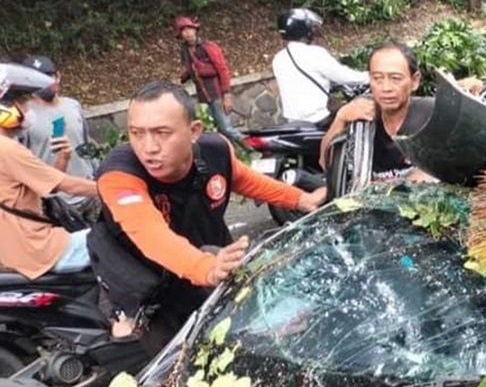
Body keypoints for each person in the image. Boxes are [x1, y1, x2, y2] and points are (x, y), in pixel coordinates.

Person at [86, 82, 326, 343]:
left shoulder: (215, 150)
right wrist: (206, 268)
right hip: (150, 287)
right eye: (136, 133)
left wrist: (302, 199)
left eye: (162, 133)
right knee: (169, 367)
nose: (148, 147)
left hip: (213, 261)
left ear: (194, 131)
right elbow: (149, 233)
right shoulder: (119, 173)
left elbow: (243, 179)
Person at [0, 63, 98, 279]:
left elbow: (47, 187)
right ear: (5, 109)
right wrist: (116, 187)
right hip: (39, 248)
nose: (28, 109)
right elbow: (67, 185)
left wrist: (62, 158)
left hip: (16, 249)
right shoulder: (8, 149)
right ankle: (123, 313)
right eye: (23, 103)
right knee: (119, 243)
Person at [319, 42, 438, 184]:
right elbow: (325, 163)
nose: (386, 88)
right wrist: (341, 117)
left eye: (395, 78)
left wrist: (430, 172)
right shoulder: (360, 115)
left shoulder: (431, 113)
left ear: (415, 81)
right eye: (377, 78)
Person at [18, 55, 99, 221]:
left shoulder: (73, 105)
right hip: (57, 202)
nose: (46, 82)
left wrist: (98, 172)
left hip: (89, 193)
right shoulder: (25, 116)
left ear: (58, 77)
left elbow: (86, 143)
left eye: (49, 76)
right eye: (38, 79)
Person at [271, 8, 369, 126]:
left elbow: (300, 83)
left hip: (293, 121)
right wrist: (371, 77)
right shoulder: (315, 54)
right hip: (319, 119)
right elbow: (344, 76)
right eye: (312, 28)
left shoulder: (278, 58)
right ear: (305, 30)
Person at [174, 16, 244, 145]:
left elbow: (223, 69)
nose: (188, 33)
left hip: (216, 93)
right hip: (203, 96)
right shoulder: (184, 50)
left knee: (226, 128)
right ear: (181, 35)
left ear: (195, 30)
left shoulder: (208, 46)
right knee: (216, 131)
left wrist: (226, 95)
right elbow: (188, 70)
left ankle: (254, 148)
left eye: (189, 29)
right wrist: (180, 79)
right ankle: (230, 155)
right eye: (184, 31)